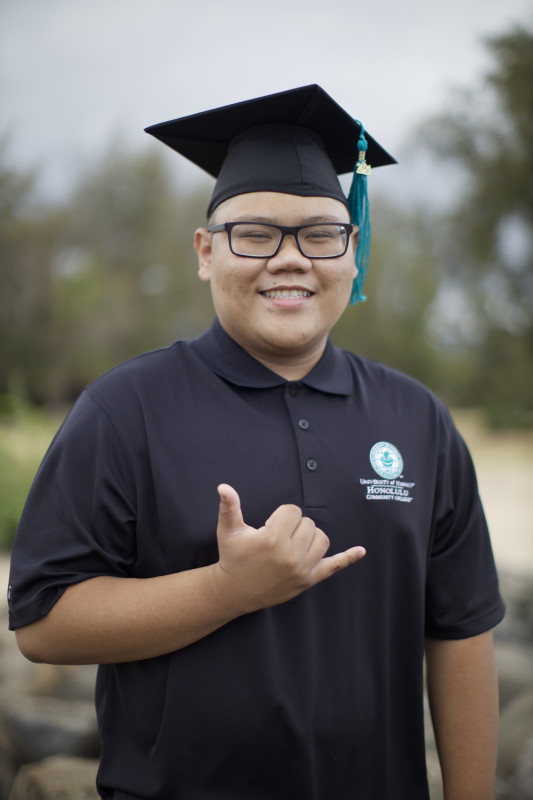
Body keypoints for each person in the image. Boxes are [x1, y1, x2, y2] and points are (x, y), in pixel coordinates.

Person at [8, 85, 504, 799]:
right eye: (255, 234)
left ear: (352, 252)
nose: (291, 258)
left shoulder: (417, 420)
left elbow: (459, 630)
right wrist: (224, 590)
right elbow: (43, 624)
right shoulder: (125, 411)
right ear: (206, 252)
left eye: (319, 234)